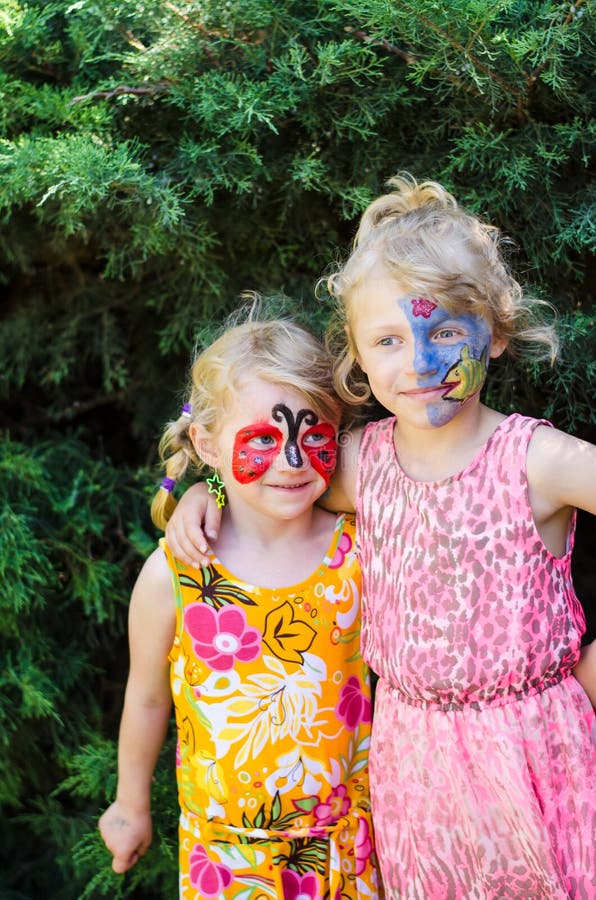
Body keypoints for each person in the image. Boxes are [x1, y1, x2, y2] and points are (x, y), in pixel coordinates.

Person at [165, 176, 596, 898]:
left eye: (447, 331)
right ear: (358, 357)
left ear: (493, 330)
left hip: (536, 754)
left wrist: (580, 680)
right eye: (389, 340)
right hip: (412, 769)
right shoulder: (363, 463)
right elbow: (272, 482)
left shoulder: (540, 462)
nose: (420, 363)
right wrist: (199, 494)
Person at [98, 312, 383, 899]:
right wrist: (129, 804)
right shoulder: (176, 574)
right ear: (206, 443)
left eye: (314, 436)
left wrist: (216, 486)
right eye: (262, 439)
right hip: (226, 863)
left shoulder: (360, 554)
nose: (293, 461)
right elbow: (148, 695)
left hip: (352, 852)